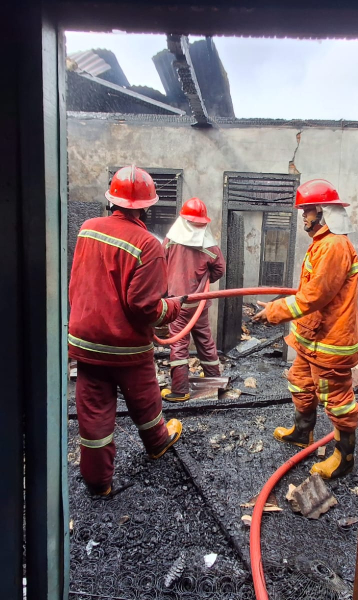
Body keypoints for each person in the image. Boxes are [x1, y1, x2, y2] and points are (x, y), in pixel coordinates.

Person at [68, 165, 184, 496]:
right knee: (145, 399)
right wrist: (173, 307)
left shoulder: (87, 230)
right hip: (126, 347)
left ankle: (98, 483)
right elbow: (144, 307)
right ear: (147, 207)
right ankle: (158, 443)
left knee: (93, 411)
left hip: (85, 341)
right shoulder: (148, 244)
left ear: (112, 200)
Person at [253, 179, 358, 480]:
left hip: (330, 340)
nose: (304, 217)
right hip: (311, 337)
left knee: (336, 399)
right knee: (300, 382)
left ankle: (344, 457)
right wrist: (277, 309)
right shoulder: (322, 244)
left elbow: (315, 295)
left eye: (307, 211)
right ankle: (303, 433)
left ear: (323, 212)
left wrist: (274, 311)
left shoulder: (334, 246)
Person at [160, 198, 226, 402]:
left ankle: (180, 390)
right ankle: (214, 382)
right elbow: (219, 269)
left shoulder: (170, 241)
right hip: (199, 303)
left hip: (177, 304)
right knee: (205, 341)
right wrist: (204, 280)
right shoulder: (209, 246)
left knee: (179, 343)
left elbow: (160, 265)